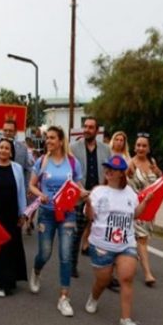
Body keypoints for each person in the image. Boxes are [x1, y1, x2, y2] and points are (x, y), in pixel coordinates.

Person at [83, 155, 153, 325]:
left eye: (112, 169)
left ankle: (126, 319)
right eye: (107, 168)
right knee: (103, 280)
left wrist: (145, 202)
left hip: (125, 244)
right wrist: (88, 203)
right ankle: (94, 297)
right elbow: (90, 217)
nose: (108, 171)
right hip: (101, 245)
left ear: (121, 174)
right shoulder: (98, 191)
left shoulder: (130, 193)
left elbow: (135, 214)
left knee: (126, 277)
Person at [28, 125, 84, 317]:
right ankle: (36, 271)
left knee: (66, 255)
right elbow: (32, 185)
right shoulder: (42, 161)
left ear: (61, 141)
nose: (48, 141)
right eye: (47, 138)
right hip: (46, 213)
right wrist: (40, 194)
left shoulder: (73, 162)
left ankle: (64, 298)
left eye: (52, 138)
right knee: (45, 253)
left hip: (67, 214)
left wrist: (84, 194)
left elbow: (78, 186)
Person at [0, 138, 28, 297]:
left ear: (11, 152)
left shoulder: (17, 168)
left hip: (11, 215)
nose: (3, 150)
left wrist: (23, 213)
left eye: (7, 148)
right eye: (1, 147)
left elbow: (21, 192)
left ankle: (9, 280)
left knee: (10, 248)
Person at [69, 117, 111, 279]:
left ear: (97, 130)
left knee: (102, 233)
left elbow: (108, 172)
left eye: (91, 127)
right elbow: (71, 173)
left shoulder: (105, 149)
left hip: (99, 198)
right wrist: (81, 190)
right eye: (85, 126)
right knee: (77, 232)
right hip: (80, 196)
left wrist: (105, 189)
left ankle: (105, 269)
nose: (87, 129)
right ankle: (72, 264)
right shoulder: (73, 148)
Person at [127, 133, 162, 286]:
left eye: (144, 145)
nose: (141, 148)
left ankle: (128, 258)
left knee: (141, 238)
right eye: (138, 145)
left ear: (148, 148)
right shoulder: (130, 163)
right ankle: (148, 273)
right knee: (141, 239)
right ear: (134, 147)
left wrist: (158, 172)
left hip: (151, 208)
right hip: (136, 207)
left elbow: (160, 180)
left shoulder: (152, 162)